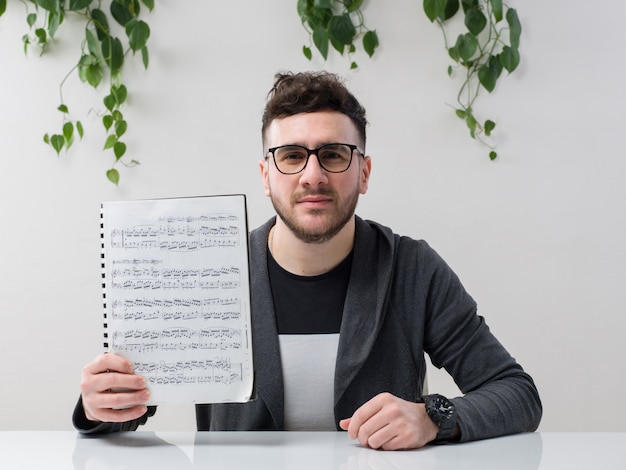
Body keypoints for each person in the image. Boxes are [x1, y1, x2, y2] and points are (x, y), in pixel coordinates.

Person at [74, 71, 542, 450]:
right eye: (292, 156)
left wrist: (434, 417)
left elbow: (517, 394)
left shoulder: (413, 268)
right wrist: (100, 407)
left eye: (334, 155)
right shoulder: (209, 267)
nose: (312, 175)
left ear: (363, 172)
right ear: (265, 175)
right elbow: (128, 410)